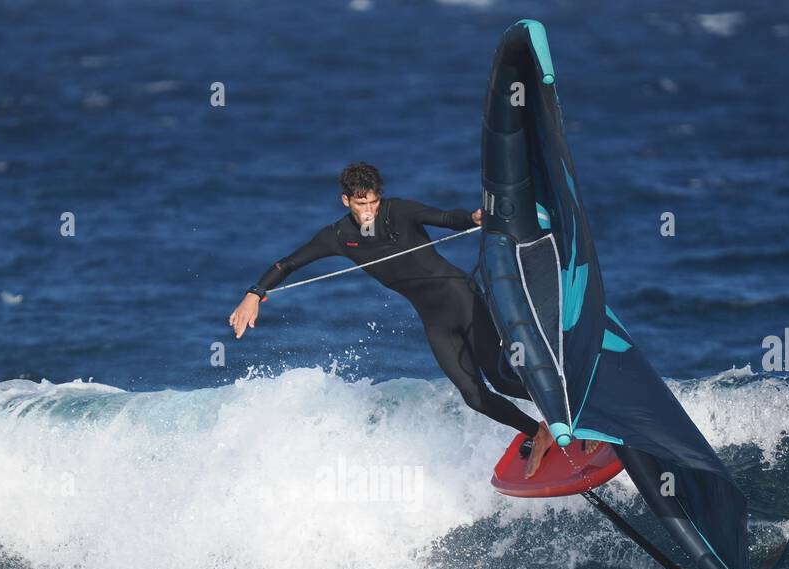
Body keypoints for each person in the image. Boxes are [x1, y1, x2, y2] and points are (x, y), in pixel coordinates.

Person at [229, 162, 555, 477]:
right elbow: (288, 264)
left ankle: (569, 411)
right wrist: (254, 294)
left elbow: (445, 217)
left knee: (501, 379)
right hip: (435, 321)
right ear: (346, 200)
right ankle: (539, 432)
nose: (368, 211)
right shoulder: (339, 236)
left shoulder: (399, 211)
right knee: (474, 396)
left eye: (373, 202)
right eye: (360, 204)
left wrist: (472, 217)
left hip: (464, 300)